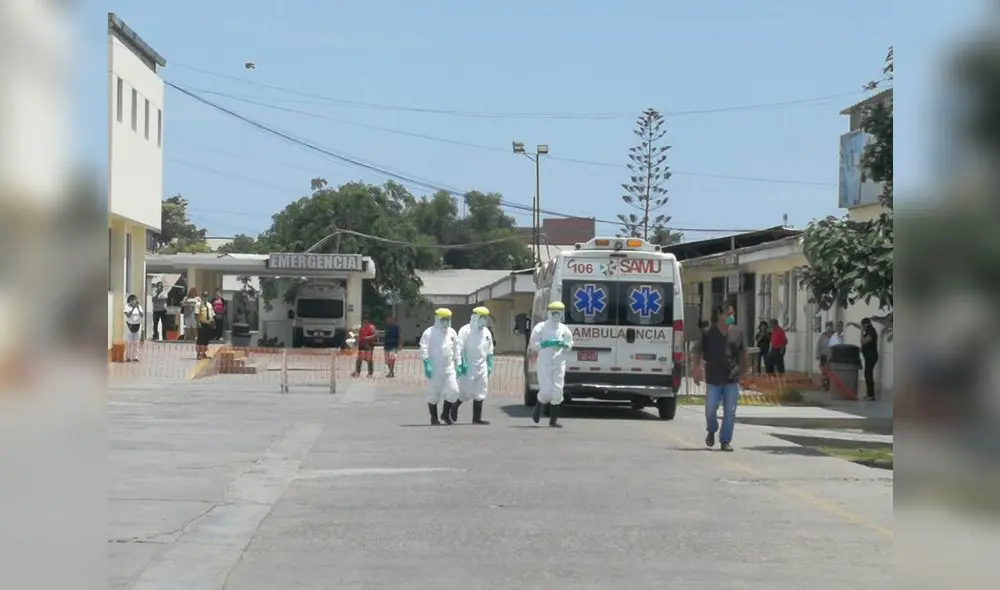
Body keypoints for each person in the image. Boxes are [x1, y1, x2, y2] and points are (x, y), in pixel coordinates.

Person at [692, 305, 748, 451]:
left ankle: (725, 441)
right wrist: (696, 368)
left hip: (731, 378)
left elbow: (743, 354)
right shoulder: (708, 333)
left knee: (730, 411)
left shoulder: (738, 333)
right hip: (714, 378)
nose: (731, 317)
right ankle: (711, 430)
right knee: (710, 409)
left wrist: (745, 372)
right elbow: (698, 351)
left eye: (732, 313)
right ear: (720, 315)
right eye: (728, 314)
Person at [528, 301, 575, 428]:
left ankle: (553, 421)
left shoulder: (564, 329)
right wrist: (544, 344)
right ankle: (538, 406)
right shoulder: (541, 327)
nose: (556, 315)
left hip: (559, 363)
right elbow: (533, 343)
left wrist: (564, 345)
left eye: (559, 312)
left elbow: (570, 343)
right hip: (544, 362)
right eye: (554, 312)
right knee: (545, 391)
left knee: (557, 392)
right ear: (549, 312)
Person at [419, 308, 462, 425]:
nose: (446, 321)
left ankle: (445, 414)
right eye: (443, 319)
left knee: (454, 391)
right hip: (434, 369)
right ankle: (434, 418)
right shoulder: (429, 332)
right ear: (437, 319)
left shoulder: (452, 332)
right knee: (434, 393)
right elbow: (423, 348)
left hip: (449, 368)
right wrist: (426, 363)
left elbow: (456, 348)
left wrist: (459, 364)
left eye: (448, 319)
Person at [453, 306, 495, 425]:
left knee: (481, 391)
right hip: (469, 366)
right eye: (482, 317)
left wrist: (489, 362)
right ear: (475, 317)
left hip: (482, 365)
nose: (484, 320)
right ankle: (455, 406)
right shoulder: (465, 330)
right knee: (466, 392)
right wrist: (461, 363)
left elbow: (490, 348)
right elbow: (459, 348)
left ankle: (476, 418)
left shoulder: (486, 332)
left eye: (485, 317)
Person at [860, 317, 879, 400]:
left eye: (862, 326)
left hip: (872, 356)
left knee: (868, 374)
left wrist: (861, 331)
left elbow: (863, 341)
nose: (862, 328)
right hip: (869, 356)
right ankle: (869, 394)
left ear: (865, 325)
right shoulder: (868, 331)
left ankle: (871, 395)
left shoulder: (871, 331)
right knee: (867, 374)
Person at [124, 294, 144, 362]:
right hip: (129, 325)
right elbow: (128, 315)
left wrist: (137, 308)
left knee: (136, 342)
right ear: (129, 301)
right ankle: (128, 357)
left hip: (137, 325)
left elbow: (142, 315)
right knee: (129, 342)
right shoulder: (127, 307)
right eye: (132, 300)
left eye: (134, 300)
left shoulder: (139, 306)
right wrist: (132, 309)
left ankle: (136, 356)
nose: (133, 301)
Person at [195, 293, 215, 360]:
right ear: (202, 296)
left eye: (206, 296)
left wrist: (213, 321)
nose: (205, 297)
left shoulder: (209, 305)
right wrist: (198, 322)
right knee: (201, 339)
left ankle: (203, 353)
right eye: (204, 296)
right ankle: (199, 353)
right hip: (201, 324)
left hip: (208, 324)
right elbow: (196, 314)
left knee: (206, 339)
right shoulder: (198, 304)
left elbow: (212, 313)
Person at [816, 321, 834, 391]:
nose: (829, 328)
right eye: (827, 326)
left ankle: (829, 384)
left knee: (830, 370)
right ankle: (824, 383)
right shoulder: (822, 336)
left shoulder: (834, 335)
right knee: (824, 371)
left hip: (831, 356)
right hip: (823, 355)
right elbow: (818, 345)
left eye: (830, 326)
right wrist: (817, 354)